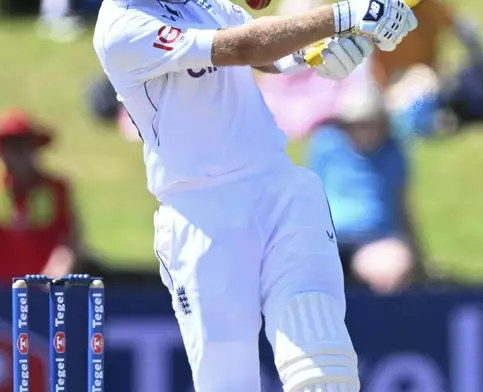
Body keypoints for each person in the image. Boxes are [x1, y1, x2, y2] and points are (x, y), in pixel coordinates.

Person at [93, 0, 418, 391]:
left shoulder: (198, 2)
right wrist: (344, 15)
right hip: (202, 212)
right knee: (228, 382)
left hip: (278, 187)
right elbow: (243, 46)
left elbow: (265, 55)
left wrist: (314, 54)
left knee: (324, 364)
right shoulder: (122, 26)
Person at [307, 84, 425, 294]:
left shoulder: (393, 153)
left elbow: (401, 204)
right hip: (328, 240)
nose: (364, 131)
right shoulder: (326, 145)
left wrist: (418, 252)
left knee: (391, 268)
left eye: (370, 123)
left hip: (376, 240)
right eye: (357, 124)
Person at [0, 109, 81, 284]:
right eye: (13, 147)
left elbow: (70, 235)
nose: (21, 154)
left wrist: (60, 266)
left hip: (44, 287)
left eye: (26, 146)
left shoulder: (56, 189)